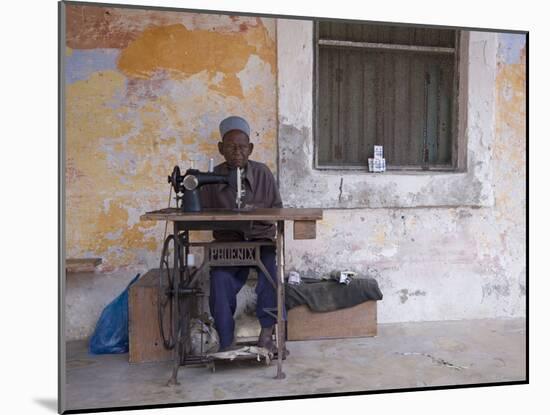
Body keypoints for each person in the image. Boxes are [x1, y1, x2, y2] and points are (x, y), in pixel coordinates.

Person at [200, 115, 284, 353]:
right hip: (229, 244)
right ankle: (227, 340)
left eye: (242, 147)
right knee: (220, 280)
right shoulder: (213, 178)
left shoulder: (263, 173)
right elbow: (202, 215)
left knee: (271, 278)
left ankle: (267, 336)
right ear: (220, 149)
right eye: (231, 147)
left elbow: (277, 209)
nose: (237, 152)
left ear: (251, 149)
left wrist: (255, 214)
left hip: (260, 241)